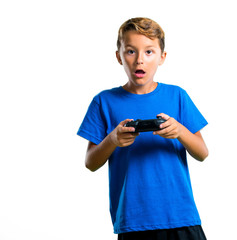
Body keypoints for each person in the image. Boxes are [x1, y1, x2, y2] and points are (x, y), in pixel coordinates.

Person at [77, 17, 209, 240]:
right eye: (130, 51)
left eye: (149, 52)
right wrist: (113, 140)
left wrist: (180, 132)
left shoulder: (177, 95)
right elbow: (90, 163)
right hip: (133, 221)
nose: (140, 60)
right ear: (119, 56)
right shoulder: (104, 101)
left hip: (180, 215)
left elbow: (202, 153)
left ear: (162, 57)